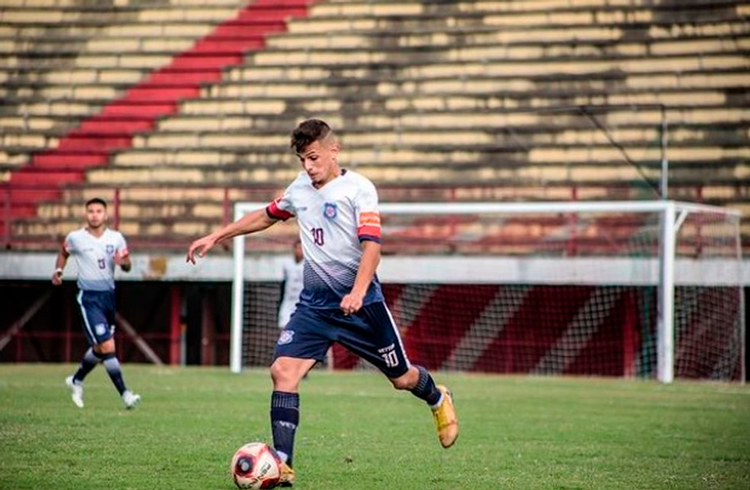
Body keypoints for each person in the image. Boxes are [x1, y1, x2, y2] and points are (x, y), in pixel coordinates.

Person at [187, 119, 458, 487]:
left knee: (402, 378)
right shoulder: (300, 188)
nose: (308, 167)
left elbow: (373, 248)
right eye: (302, 160)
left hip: (362, 306)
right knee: (283, 371)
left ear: (334, 150)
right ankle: (282, 465)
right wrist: (219, 234)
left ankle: (437, 397)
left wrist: (359, 291)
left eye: (313, 158)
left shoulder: (359, 189)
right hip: (314, 307)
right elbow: (267, 215)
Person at [52, 197, 141, 410]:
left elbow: (127, 266)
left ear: (105, 214)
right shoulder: (75, 238)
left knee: (100, 348)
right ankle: (125, 394)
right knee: (108, 345)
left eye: (98, 211)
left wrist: (124, 262)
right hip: (89, 297)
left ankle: (76, 379)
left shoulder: (116, 238)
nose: (94, 214)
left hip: (109, 296)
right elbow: (64, 253)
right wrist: (58, 270)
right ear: (86, 214)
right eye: (90, 211)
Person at [277, 238, 304, 330]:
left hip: (302, 304)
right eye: (297, 248)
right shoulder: (287, 264)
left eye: (301, 248)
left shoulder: (307, 265)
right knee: (284, 329)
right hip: (288, 302)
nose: (299, 251)